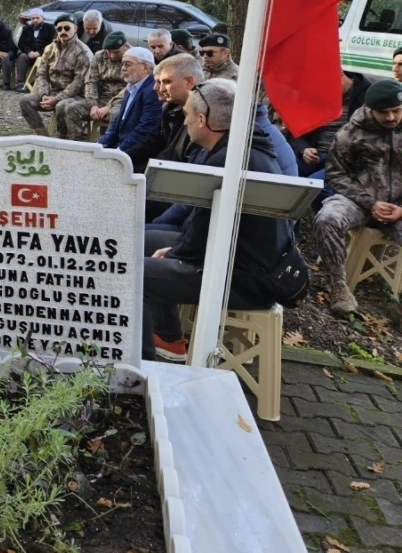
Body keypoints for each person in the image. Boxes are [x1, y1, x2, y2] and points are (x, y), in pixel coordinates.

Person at [142, 80, 295, 362]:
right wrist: (176, 251)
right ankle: (170, 339)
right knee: (144, 239)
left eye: (188, 115)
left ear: (202, 120)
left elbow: (199, 233)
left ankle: (143, 371)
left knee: (135, 273)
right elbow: (204, 228)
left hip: (242, 278)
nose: (185, 121)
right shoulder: (244, 147)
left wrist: (175, 254)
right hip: (239, 258)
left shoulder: (228, 160)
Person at [314, 79, 402, 318]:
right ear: (370, 109)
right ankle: (338, 285)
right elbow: (335, 173)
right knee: (327, 218)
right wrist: (370, 203)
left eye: (397, 111)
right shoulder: (351, 133)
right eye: (384, 113)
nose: (392, 117)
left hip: (399, 205)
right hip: (359, 201)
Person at [19, 14, 92, 136]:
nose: (63, 31)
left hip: (76, 96)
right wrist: (44, 94)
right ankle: (42, 135)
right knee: (25, 101)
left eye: (67, 28)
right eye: (59, 29)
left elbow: (79, 82)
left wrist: (57, 99)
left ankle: (61, 137)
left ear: (75, 29)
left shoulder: (83, 52)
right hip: (52, 92)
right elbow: (41, 74)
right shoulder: (49, 48)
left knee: (61, 105)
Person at [288, 71, 368, 178]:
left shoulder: (367, 97)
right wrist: (304, 149)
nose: (325, 92)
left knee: (312, 184)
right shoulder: (314, 93)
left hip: (344, 162)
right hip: (313, 156)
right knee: (283, 174)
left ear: (341, 76)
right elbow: (294, 130)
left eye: (328, 87)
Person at [98, 47, 161, 169]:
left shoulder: (152, 91)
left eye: (128, 64)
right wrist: (101, 144)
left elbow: (144, 129)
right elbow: (118, 122)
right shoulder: (132, 86)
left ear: (145, 67)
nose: (123, 68)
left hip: (134, 154)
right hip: (121, 147)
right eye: (122, 64)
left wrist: (118, 152)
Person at [59, 31, 128, 140]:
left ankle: (109, 146)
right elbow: (91, 81)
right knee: (72, 108)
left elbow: (131, 88)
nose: (112, 56)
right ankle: (77, 143)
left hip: (121, 102)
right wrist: (93, 105)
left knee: (117, 115)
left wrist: (108, 107)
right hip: (100, 98)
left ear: (126, 47)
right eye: (109, 52)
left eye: (116, 52)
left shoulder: (132, 58)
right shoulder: (99, 56)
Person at [15, 9, 54, 89]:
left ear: (42, 18)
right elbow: (21, 43)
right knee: (22, 57)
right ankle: (21, 83)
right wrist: (29, 51)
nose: (35, 20)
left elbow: (51, 44)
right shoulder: (26, 29)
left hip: (44, 55)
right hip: (29, 55)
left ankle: (41, 86)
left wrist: (39, 52)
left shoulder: (50, 28)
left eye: (37, 18)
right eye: (33, 18)